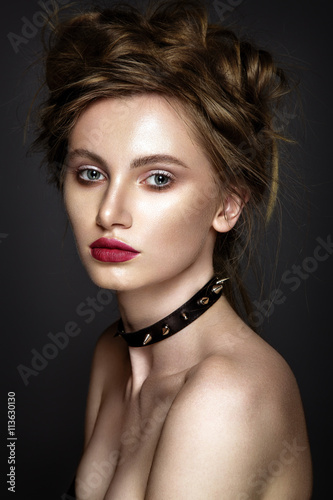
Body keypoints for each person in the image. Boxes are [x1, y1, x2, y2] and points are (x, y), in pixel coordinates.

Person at [33, 1, 312, 498]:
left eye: (157, 178)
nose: (109, 212)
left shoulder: (227, 396)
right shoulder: (114, 353)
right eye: (90, 173)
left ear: (227, 205)